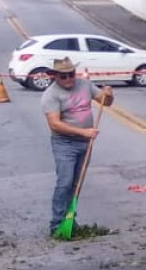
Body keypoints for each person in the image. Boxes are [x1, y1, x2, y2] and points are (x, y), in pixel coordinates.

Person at [41, 57, 111, 233]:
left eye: (70, 74)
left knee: (76, 184)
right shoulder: (51, 95)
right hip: (65, 143)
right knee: (65, 182)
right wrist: (84, 132)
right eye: (63, 76)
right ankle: (57, 224)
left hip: (84, 143)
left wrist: (108, 94)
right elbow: (54, 124)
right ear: (55, 76)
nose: (68, 79)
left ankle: (70, 220)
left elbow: (105, 101)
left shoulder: (85, 85)